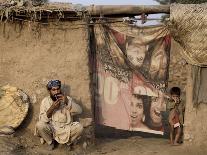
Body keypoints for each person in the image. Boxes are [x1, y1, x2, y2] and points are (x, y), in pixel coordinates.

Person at [35, 80, 83, 150]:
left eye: (58, 89)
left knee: (79, 127)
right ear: (49, 91)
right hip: (52, 128)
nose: (56, 92)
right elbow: (42, 119)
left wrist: (67, 102)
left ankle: (68, 142)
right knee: (39, 125)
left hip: (66, 128)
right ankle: (51, 142)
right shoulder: (45, 101)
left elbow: (79, 111)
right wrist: (52, 108)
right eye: (53, 90)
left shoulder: (67, 99)